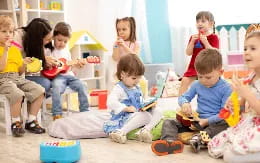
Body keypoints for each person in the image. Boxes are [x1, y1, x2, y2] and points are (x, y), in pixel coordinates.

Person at [151, 49, 232, 156]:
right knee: (169, 122)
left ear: (220, 72)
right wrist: (184, 103)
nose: (203, 80)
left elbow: (225, 113)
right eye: (200, 76)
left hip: (215, 122)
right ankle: (170, 143)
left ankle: (199, 140)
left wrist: (207, 121)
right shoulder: (197, 84)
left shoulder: (226, 88)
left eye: (208, 77)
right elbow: (183, 97)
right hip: (197, 121)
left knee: (224, 126)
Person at [208, 25, 260, 163]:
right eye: (245, 48)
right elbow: (243, 106)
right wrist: (234, 104)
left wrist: (247, 94)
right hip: (249, 123)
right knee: (218, 143)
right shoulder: (251, 77)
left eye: (253, 48)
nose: (247, 52)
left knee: (231, 156)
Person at [0, 15, 45, 137]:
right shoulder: (5, 49)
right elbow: (1, 68)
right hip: (2, 79)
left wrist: (24, 64)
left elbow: (20, 72)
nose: (8, 34)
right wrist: (5, 51)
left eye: (10, 31)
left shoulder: (15, 50)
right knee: (17, 94)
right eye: (4, 31)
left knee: (39, 90)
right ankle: (16, 122)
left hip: (16, 77)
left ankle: (31, 120)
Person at [103, 54, 162, 144]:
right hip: (124, 116)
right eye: (134, 78)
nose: (137, 81)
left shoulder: (136, 86)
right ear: (122, 74)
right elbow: (110, 102)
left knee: (158, 111)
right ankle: (120, 132)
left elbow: (140, 101)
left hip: (137, 113)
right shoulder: (119, 88)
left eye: (139, 77)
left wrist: (149, 104)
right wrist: (125, 108)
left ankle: (145, 130)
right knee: (146, 116)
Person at [45, 22, 89, 120]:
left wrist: (76, 65)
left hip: (69, 76)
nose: (62, 43)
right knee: (56, 88)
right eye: (59, 40)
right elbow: (46, 65)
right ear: (53, 37)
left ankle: (85, 111)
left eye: (65, 41)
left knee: (83, 85)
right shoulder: (49, 50)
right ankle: (57, 113)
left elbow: (68, 67)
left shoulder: (66, 50)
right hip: (58, 77)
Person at [179, 11, 219, 96]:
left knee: (208, 85)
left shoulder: (213, 37)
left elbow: (215, 53)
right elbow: (188, 53)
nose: (199, 23)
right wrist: (192, 42)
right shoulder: (193, 38)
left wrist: (206, 42)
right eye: (198, 21)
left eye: (203, 21)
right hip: (194, 66)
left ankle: (211, 101)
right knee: (184, 81)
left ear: (211, 24)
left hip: (208, 67)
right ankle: (181, 102)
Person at [14, 18, 54, 96]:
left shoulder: (32, 40)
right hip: (11, 77)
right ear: (38, 39)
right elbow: (16, 69)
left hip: (21, 75)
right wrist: (40, 63)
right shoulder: (16, 40)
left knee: (53, 83)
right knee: (46, 84)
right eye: (47, 40)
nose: (48, 42)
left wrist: (44, 60)